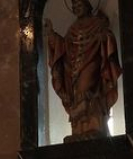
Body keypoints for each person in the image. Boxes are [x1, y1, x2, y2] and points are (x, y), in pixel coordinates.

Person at [44, 0, 123, 141]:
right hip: (74, 69)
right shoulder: (72, 29)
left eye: (79, 5)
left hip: (92, 62)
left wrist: (104, 36)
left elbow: (107, 36)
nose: (76, 9)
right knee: (76, 95)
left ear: (87, 6)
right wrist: (52, 35)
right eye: (74, 7)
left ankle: (96, 126)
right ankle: (79, 130)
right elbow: (64, 46)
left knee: (88, 90)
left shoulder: (97, 23)